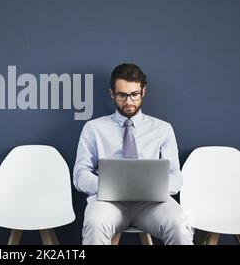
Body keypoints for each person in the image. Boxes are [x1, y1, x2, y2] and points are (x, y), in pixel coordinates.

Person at [73, 63, 193, 245]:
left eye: (134, 94)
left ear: (143, 92)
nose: (129, 102)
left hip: (152, 204)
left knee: (180, 223)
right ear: (112, 94)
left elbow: (176, 176)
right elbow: (80, 174)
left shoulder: (163, 129)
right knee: (94, 223)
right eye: (122, 95)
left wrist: (153, 189)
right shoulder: (93, 128)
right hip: (108, 203)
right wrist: (108, 187)